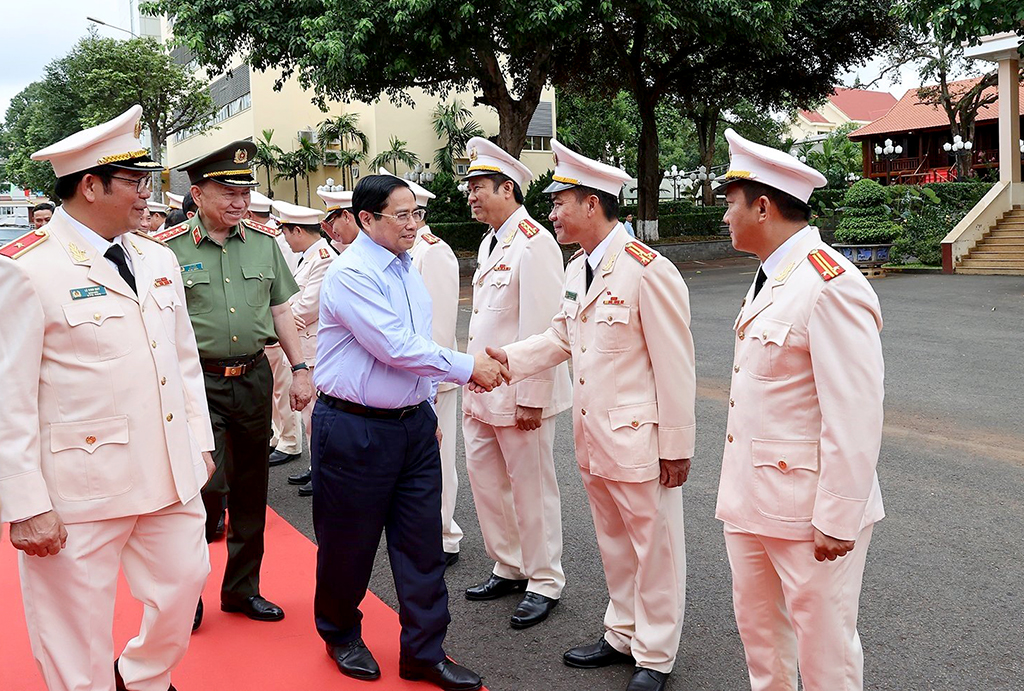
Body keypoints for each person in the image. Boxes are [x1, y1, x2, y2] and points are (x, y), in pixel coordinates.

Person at [0, 105, 214, 691]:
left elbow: (183, 362)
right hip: (78, 488)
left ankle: (142, 676)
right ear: (91, 186)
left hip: (168, 470)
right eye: (135, 182)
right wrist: (24, 504)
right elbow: (8, 398)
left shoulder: (156, 257)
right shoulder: (26, 270)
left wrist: (199, 442)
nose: (148, 194)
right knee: (74, 632)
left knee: (185, 586)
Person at [483, 139, 696, 691]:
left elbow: (676, 367)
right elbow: (560, 336)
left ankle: (655, 654)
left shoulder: (649, 271)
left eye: (560, 203)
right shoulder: (581, 268)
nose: (551, 214)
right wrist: (509, 360)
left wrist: (677, 445)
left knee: (655, 548)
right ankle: (621, 631)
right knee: (613, 541)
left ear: (592, 205)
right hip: (595, 438)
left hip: (638, 441)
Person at [311, 174, 504, 690]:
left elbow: (418, 344)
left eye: (416, 214)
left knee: (421, 545)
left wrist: (425, 413)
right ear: (366, 219)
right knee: (348, 544)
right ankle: (340, 634)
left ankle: (424, 651)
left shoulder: (405, 267)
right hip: (354, 427)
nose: (414, 224)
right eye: (402, 215)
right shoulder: (351, 273)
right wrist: (468, 367)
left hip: (410, 428)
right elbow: (394, 346)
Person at [714, 128, 885, 691]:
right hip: (752, 501)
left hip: (809, 512)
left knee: (824, 650)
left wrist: (838, 516)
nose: (724, 218)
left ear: (762, 207)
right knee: (760, 639)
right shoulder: (774, 277)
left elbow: (855, 414)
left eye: (730, 205)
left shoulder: (830, 284)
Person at [155, 140, 312, 627]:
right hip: (194, 382)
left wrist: (301, 368)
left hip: (252, 377)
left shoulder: (265, 244)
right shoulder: (166, 250)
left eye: (245, 192)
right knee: (201, 490)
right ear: (197, 194)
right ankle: (188, 595)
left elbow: (282, 310)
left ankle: (243, 590)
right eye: (227, 190)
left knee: (250, 488)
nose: (240, 202)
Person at [461, 136, 571, 629]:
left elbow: (544, 330)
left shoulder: (535, 242)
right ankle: (509, 564)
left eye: (479, 187)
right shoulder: (491, 241)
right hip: (481, 391)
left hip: (518, 394)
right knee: (487, 484)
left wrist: (532, 398)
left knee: (531, 488)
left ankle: (544, 579)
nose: (471, 195)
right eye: (469, 188)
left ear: (508, 188)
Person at [387, 168, 464, 567]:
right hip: (407, 378)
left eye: (408, 213)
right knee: (417, 462)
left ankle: (444, 534)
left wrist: (432, 380)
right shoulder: (402, 254)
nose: (406, 221)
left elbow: (439, 326)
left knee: (438, 459)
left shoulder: (433, 252)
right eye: (398, 214)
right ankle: (424, 532)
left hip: (433, 379)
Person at [272, 198, 333, 494]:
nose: (284, 238)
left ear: (297, 231)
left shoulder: (323, 258)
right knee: (309, 416)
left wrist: (280, 322)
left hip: (313, 349)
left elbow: (308, 306)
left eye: (286, 231)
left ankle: (323, 471)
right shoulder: (307, 258)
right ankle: (316, 467)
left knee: (315, 416)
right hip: (304, 346)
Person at [252, 189, 303, 469]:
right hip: (276, 322)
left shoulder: (269, 241)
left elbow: (281, 291)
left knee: (284, 389)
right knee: (275, 390)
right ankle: (281, 436)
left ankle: (290, 440)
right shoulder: (270, 238)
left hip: (283, 321)